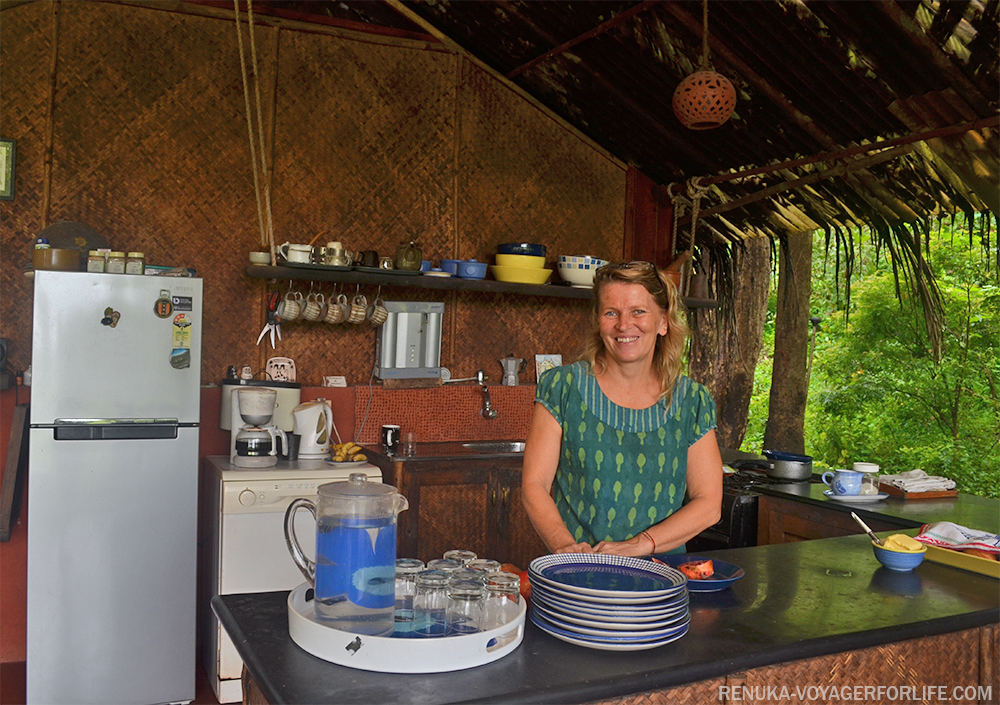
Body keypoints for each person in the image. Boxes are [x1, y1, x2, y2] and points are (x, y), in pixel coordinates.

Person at [521, 260, 722, 556]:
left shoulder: (692, 401)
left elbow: (708, 504)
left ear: (664, 321)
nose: (624, 325)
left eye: (638, 311)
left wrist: (639, 545)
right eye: (611, 312)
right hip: (578, 573)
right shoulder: (563, 387)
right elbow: (534, 484)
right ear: (598, 320)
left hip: (661, 580)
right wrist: (566, 549)